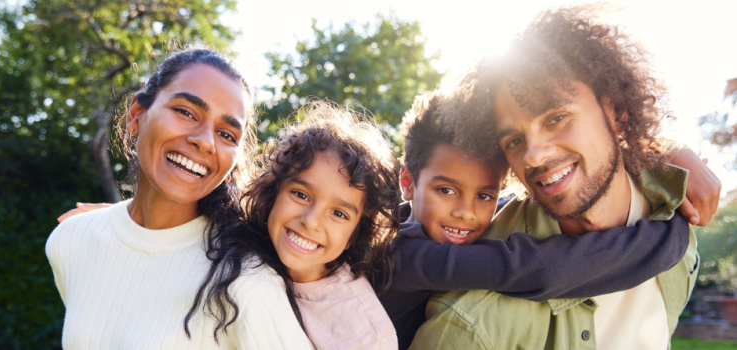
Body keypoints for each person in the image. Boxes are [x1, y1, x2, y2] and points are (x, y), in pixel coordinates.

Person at [410, 6, 721, 349]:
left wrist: (674, 153)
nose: (533, 155)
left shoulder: (678, 201)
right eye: (513, 141)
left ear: (617, 110)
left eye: (556, 118)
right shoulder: (470, 325)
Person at [381, 90, 706, 349]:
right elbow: (542, 270)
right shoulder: (399, 254)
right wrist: (671, 232)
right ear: (407, 183)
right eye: (446, 190)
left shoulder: (450, 227)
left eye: (484, 195)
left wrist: (667, 153)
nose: (466, 212)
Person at [45, 48, 313, 349]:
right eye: (186, 112)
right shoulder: (71, 240)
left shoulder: (246, 281)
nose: (205, 141)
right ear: (136, 115)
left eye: (227, 134)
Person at [198, 101, 399, 349]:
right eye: (301, 195)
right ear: (274, 192)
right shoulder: (235, 241)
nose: (311, 221)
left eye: (338, 213)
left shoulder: (365, 335)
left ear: (353, 235)